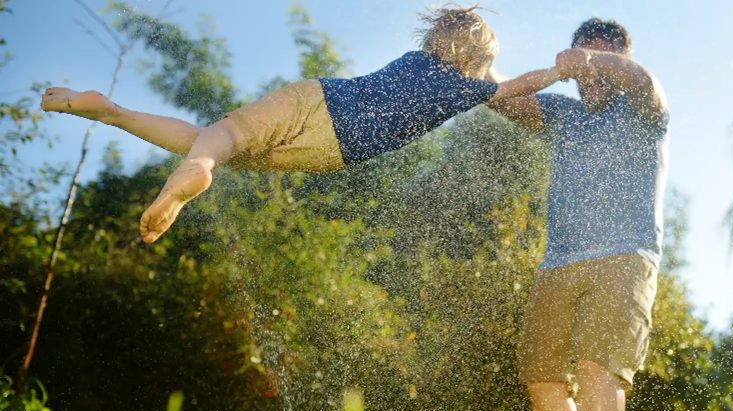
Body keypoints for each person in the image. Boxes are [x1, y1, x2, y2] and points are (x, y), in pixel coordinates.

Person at [41, 6, 559, 244]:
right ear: (477, 60)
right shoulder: (464, 89)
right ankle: (122, 120)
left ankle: (168, 148)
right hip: (332, 153)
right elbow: (518, 85)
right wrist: (561, 71)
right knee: (221, 149)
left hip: (320, 101)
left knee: (226, 134)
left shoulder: (415, 59)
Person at [489, 18, 669, 411]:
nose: (590, 73)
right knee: (541, 383)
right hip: (557, 264)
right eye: (581, 61)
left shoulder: (644, 110)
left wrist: (594, 60)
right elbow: (503, 98)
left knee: (597, 369)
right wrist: (470, 65)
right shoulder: (564, 117)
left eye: (601, 60)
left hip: (624, 257)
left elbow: (643, 80)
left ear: (619, 61)